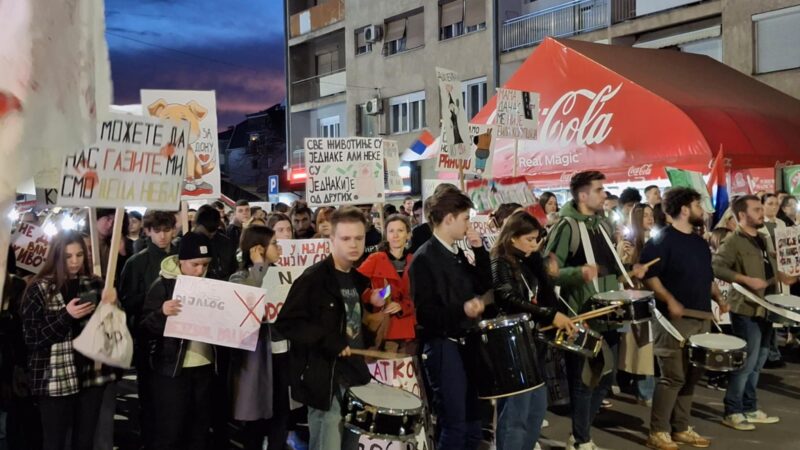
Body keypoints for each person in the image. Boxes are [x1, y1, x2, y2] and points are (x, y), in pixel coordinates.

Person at [544, 171, 646, 450]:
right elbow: (549, 273)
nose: (604, 194)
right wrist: (579, 273)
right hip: (582, 317)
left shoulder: (599, 224)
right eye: (599, 190)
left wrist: (626, 273)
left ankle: (579, 434)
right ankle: (580, 439)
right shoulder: (566, 227)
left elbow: (607, 267)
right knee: (584, 382)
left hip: (609, 313)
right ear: (582, 196)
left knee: (606, 377)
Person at [275, 206, 384, 450]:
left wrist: (374, 315)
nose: (353, 244)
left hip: (355, 376)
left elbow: (354, 329)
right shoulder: (313, 278)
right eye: (346, 238)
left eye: (358, 238)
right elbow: (287, 322)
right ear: (331, 240)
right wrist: (329, 340)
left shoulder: (358, 279)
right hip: (326, 380)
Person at [640, 188, 728, 450]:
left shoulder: (700, 242)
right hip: (673, 320)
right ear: (685, 209)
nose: (703, 210)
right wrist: (670, 300)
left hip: (701, 316)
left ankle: (680, 428)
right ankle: (658, 431)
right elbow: (650, 275)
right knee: (673, 376)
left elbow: (707, 277)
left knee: (691, 375)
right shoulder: (662, 240)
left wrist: (719, 298)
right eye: (698, 205)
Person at [409, 188, 492, 450]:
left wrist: (479, 252)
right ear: (448, 219)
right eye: (465, 218)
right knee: (454, 425)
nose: (468, 224)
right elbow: (425, 314)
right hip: (444, 347)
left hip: (467, 344)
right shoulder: (424, 258)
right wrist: (462, 309)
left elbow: (483, 284)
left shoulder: (456, 252)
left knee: (473, 423)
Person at [21, 231, 118, 450]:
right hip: (55, 378)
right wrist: (66, 316)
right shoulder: (38, 289)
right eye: (68, 256)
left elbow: (112, 331)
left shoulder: (93, 284)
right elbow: (33, 338)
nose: (74, 262)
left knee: (84, 442)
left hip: (90, 374)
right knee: (55, 442)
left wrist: (114, 307)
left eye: (79, 255)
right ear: (55, 256)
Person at [491, 211, 575, 450]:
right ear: (512, 238)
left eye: (537, 238)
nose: (534, 244)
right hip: (513, 343)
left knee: (536, 411)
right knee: (516, 414)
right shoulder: (500, 261)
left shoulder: (529, 260)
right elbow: (507, 297)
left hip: (533, 341)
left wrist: (538, 261)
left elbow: (547, 296)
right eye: (529, 239)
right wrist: (550, 315)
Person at [713, 195, 795, 431]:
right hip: (747, 308)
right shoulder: (733, 240)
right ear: (742, 215)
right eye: (757, 209)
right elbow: (717, 266)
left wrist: (782, 276)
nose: (762, 213)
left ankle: (750, 407)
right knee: (747, 362)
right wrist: (745, 279)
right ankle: (733, 410)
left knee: (759, 361)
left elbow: (770, 266)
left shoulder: (761, 238)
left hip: (767, 307)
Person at [140, 232, 216, 450]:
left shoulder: (213, 284)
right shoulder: (162, 285)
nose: (200, 270)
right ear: (181, 261)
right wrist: (161, 312)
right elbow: (144, 328)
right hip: (172, 369)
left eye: (205, 264)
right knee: (171, 430)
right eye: (195, 264)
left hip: (204, 366)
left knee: (200, 429)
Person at [118, 210, 177, 449]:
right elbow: (127, 300)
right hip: (148, 338)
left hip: (178, 337)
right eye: (157, 231)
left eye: (167, 230)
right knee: (150, 396)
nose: (163, 236)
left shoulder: (181, 258)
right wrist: (155, 298)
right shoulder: (137, 262)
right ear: (148, 231)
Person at [229, 226, 288, 450]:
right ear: (257, 249)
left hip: (282, 350)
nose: (279, 247)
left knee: (281, 411)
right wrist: (258, 267)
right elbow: (247, 302)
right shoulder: (240, 276)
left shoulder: (283, 274)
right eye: (274, 243)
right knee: (256, 414)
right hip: (257, 358)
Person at [357, 214, 416, 353]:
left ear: (408, 235)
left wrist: (402, 306)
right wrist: (371, 296)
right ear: (386, 235)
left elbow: (423, 294)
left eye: (400, 231)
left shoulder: (415, 260)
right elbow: (354, 283)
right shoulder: (376, 258)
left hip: (410, 329)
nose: (395, 235)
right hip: (383, 327)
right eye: (391, 231)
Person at [617, 203, 656, 406]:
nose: (650, 219)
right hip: (635, 301)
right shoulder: (628, 244)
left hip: (654, 299)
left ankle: (641, 388)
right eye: (645, 215)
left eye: (651, 214)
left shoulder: (657, 241)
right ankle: (645, 391)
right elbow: (620, 276)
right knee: (641, 349)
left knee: (647, 348)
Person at [193, 205, 238, 281]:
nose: (209, 235)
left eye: (212, 231)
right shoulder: (186, 243)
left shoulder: (225, 242)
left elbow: (233, 267)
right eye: (205, 232)